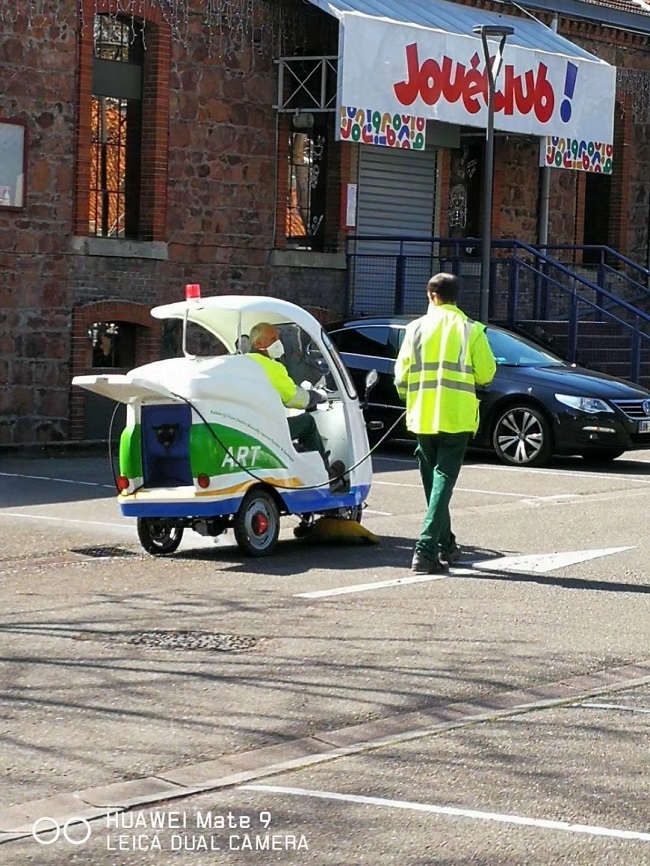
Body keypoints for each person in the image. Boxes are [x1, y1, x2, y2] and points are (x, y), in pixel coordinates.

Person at [394, 273, 497, 574]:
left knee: (435, 482)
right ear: (455, 296)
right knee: (442, 482)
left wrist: (409, 397)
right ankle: (426, 548)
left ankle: (446, 544)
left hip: (422, 415)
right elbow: (487, 374)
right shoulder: (471, 329)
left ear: (432, 296)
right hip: (456, 415)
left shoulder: (415, 328)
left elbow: (401, 377)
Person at [248, 322, 344, 487]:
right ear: (258, 344)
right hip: (266, 429)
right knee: (307, 422)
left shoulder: (244, 361)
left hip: (248, 424)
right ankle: (323, 474)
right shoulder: (271, 367)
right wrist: (317, 396)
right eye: (273, 339)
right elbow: (294, 398)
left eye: (278, 338)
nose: (278, 343)